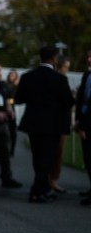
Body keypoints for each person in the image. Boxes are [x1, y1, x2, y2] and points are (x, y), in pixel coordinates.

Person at [13, 46, 76, 204]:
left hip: (33, 123)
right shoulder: (60, 79)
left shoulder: (28, 77)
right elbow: (68, 101)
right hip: (52, 124)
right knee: (47, 158)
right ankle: (38, 191)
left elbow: (19, 98)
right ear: (54, 59)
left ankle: (42, 189)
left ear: (40, 57)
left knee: (38, 156)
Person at [49, 55, 73, 194]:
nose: (66, 70)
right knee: (56, 152)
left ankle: (51, 180)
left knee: (56, 153)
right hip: (58, 123)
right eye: (66, 67)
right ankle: (52, 180)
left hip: (58, 122)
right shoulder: (60, 80)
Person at [75, 48, 91, 206]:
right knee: (87, 158)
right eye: (88, 56)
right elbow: (81, 99)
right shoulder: (87, 75)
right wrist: (79, 120)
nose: (89, 59)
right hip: (85, 121)